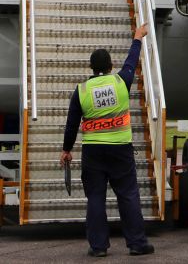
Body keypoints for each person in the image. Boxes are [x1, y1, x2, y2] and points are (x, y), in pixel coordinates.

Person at [60, 24, 155, 257]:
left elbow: (72, 123)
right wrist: (137, 37)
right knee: (128, 195)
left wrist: (66, 150)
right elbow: (132, 61)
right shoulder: (121, 82)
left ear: (91, 68)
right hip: (120, 150)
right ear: (111, 66)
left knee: (95, 197)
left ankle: (99, 247)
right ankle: (136, 244)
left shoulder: (81, 90)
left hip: (93, 152)